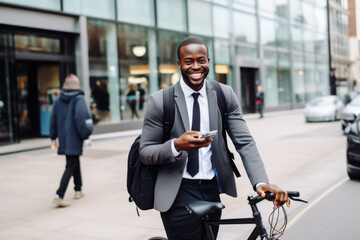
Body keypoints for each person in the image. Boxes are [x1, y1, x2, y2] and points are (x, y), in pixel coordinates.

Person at [139, 38, 290, 240]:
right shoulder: (161, 101)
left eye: (201, 60)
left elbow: (245, 143)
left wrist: (261, 182)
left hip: (211, 189)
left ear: (208, 61)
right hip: (177, 191)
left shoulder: (223, 94)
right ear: (179, 64)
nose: (196, 67)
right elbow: (146, 152)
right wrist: (176, 145)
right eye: (188, 61)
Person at [50, 74, 93, 207]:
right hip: (75, 138)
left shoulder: (58, 100)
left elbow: (53, 120)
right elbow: (81, 120)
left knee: (73, 162)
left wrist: (53, 137)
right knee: (71, 165)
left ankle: (78, 189)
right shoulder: (78, 99)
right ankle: (59, 195)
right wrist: (86, 134)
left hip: (64, 138)